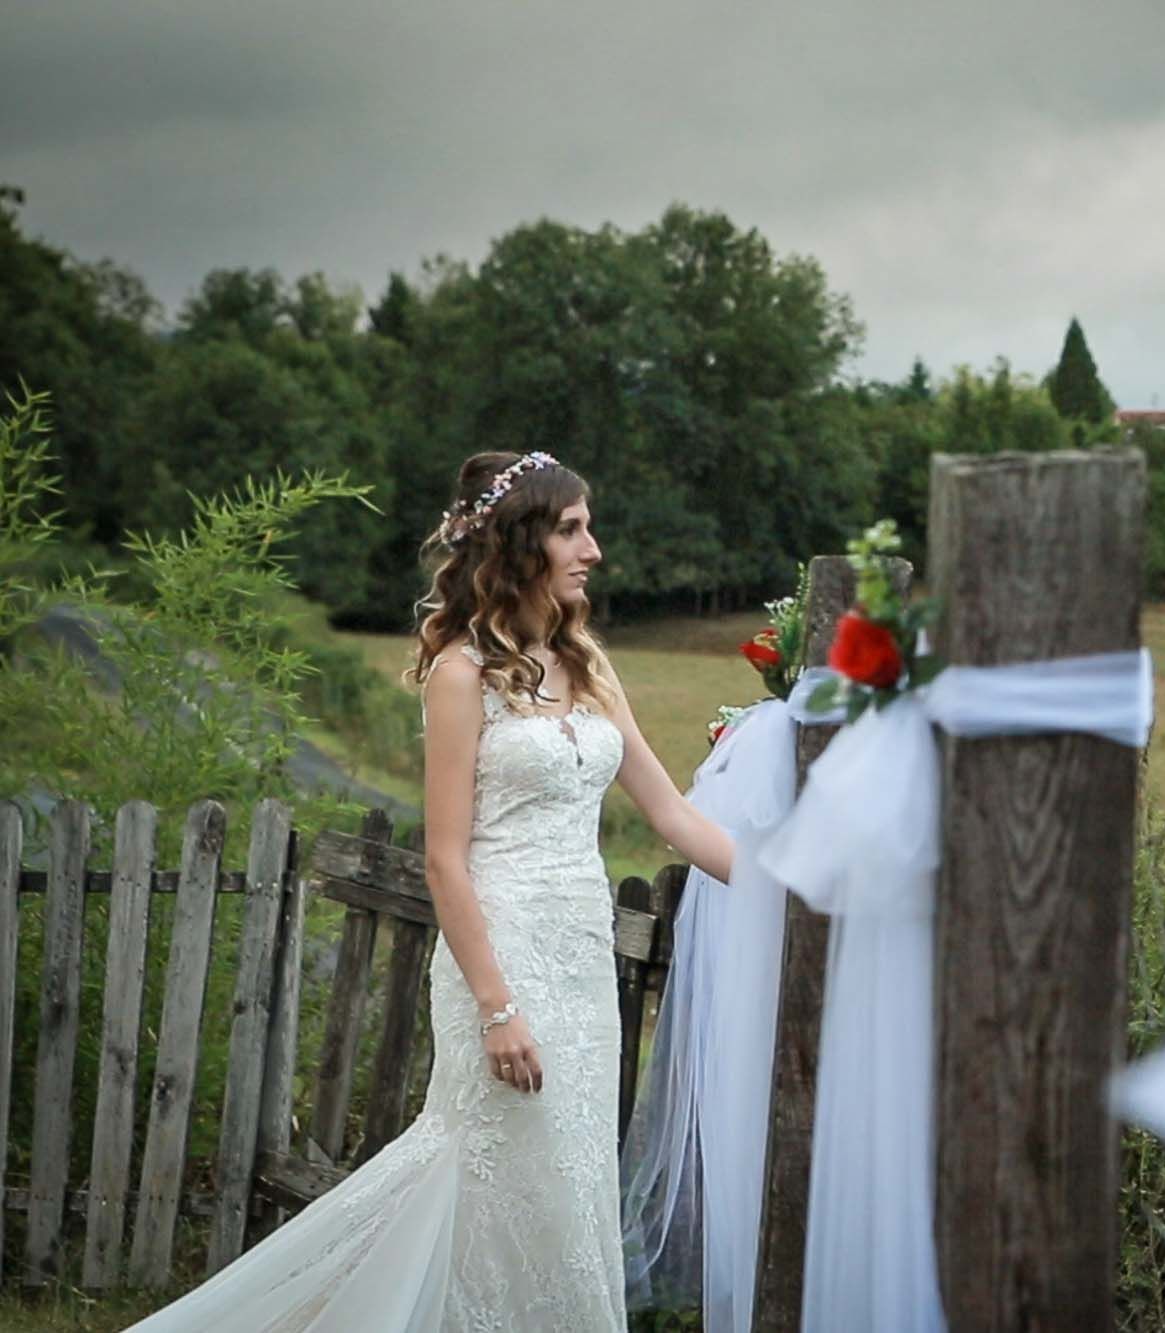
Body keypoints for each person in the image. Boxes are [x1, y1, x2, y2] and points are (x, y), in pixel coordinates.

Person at [129, 449, 733, 1331]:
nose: (593, 549)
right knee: (492, 1168)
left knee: (570, 1176)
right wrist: (497, 1007)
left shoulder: (590, 664)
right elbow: (446, 858)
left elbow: (673, 813)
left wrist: (795, 889)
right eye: (572, 529)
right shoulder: (461, 675)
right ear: (521, 543)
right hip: (501, 960)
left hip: (580, 965)